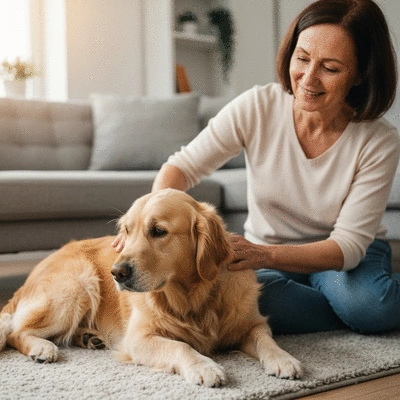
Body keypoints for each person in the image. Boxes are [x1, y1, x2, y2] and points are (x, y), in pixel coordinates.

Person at [113, 0, 400, 335]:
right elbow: (182, 167)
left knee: (369, 307)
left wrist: (267, 256)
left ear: (361, 73)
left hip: (343, 259)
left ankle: (353, 306)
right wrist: (143, 226)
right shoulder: (258, 106)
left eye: (330, 68)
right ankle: (344, 311)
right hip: (267, 256)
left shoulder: (378, 141)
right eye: (302, 58)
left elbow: (347, 248)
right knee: (237, 302)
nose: (308, 79)